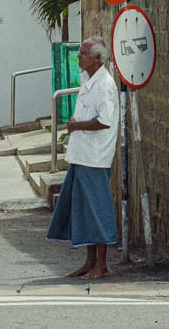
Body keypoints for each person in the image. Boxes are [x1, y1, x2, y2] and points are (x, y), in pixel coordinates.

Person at [46, 37, 119, 279]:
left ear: (97, 58)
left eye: (83, 53)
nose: (79, 57)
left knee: (97, 209)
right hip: (82, 154)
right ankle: (89, 261)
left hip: (95, 157)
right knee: (84, 210)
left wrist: (77, 126)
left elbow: (104, 121)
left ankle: (102, 264)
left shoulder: (105, 85)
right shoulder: (89, 80)